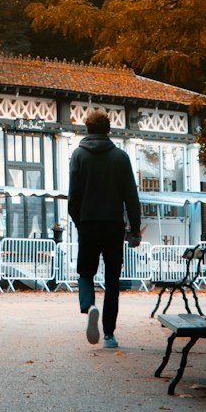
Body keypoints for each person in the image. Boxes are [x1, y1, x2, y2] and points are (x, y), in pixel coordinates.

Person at [67, 108, 142, 349]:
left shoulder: (78, 155)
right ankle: (109, 334)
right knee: (112, 280)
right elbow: (131, 196)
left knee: (85, 273)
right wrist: (134, 229)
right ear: (108, 130)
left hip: (89, 223)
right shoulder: (120, 157)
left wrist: (79, 221)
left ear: (87, 129)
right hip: (113, 225)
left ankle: (89, 306)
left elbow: (73, 198)